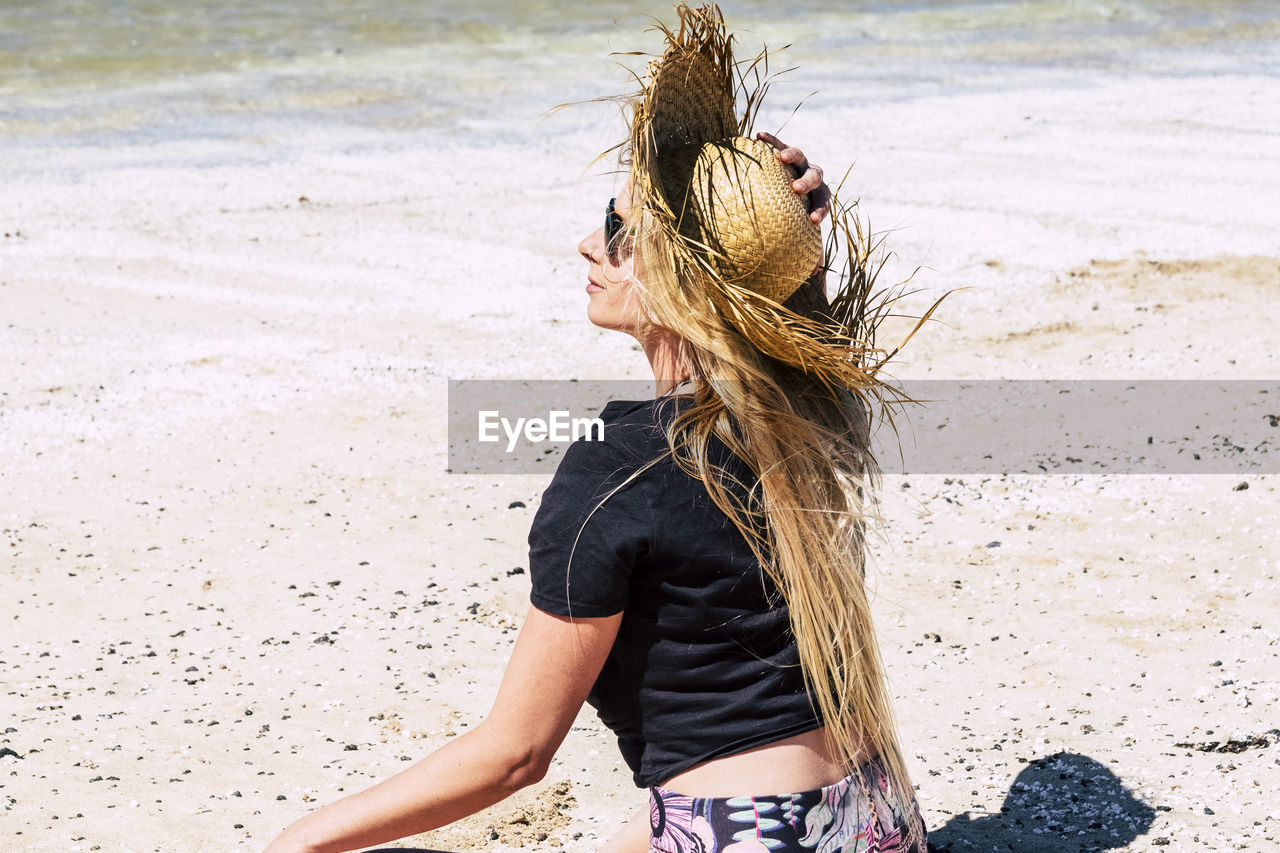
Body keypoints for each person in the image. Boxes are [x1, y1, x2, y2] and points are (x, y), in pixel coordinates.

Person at [264, 4, 930, 852]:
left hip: (745, 834)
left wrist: (297, 840)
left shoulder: (615, 473)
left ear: (686, 282)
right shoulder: (814, 411)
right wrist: (777, 227)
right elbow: (788, 305)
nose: (589, 243)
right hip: (874, 818)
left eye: (619, 229)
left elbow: (515, 755)